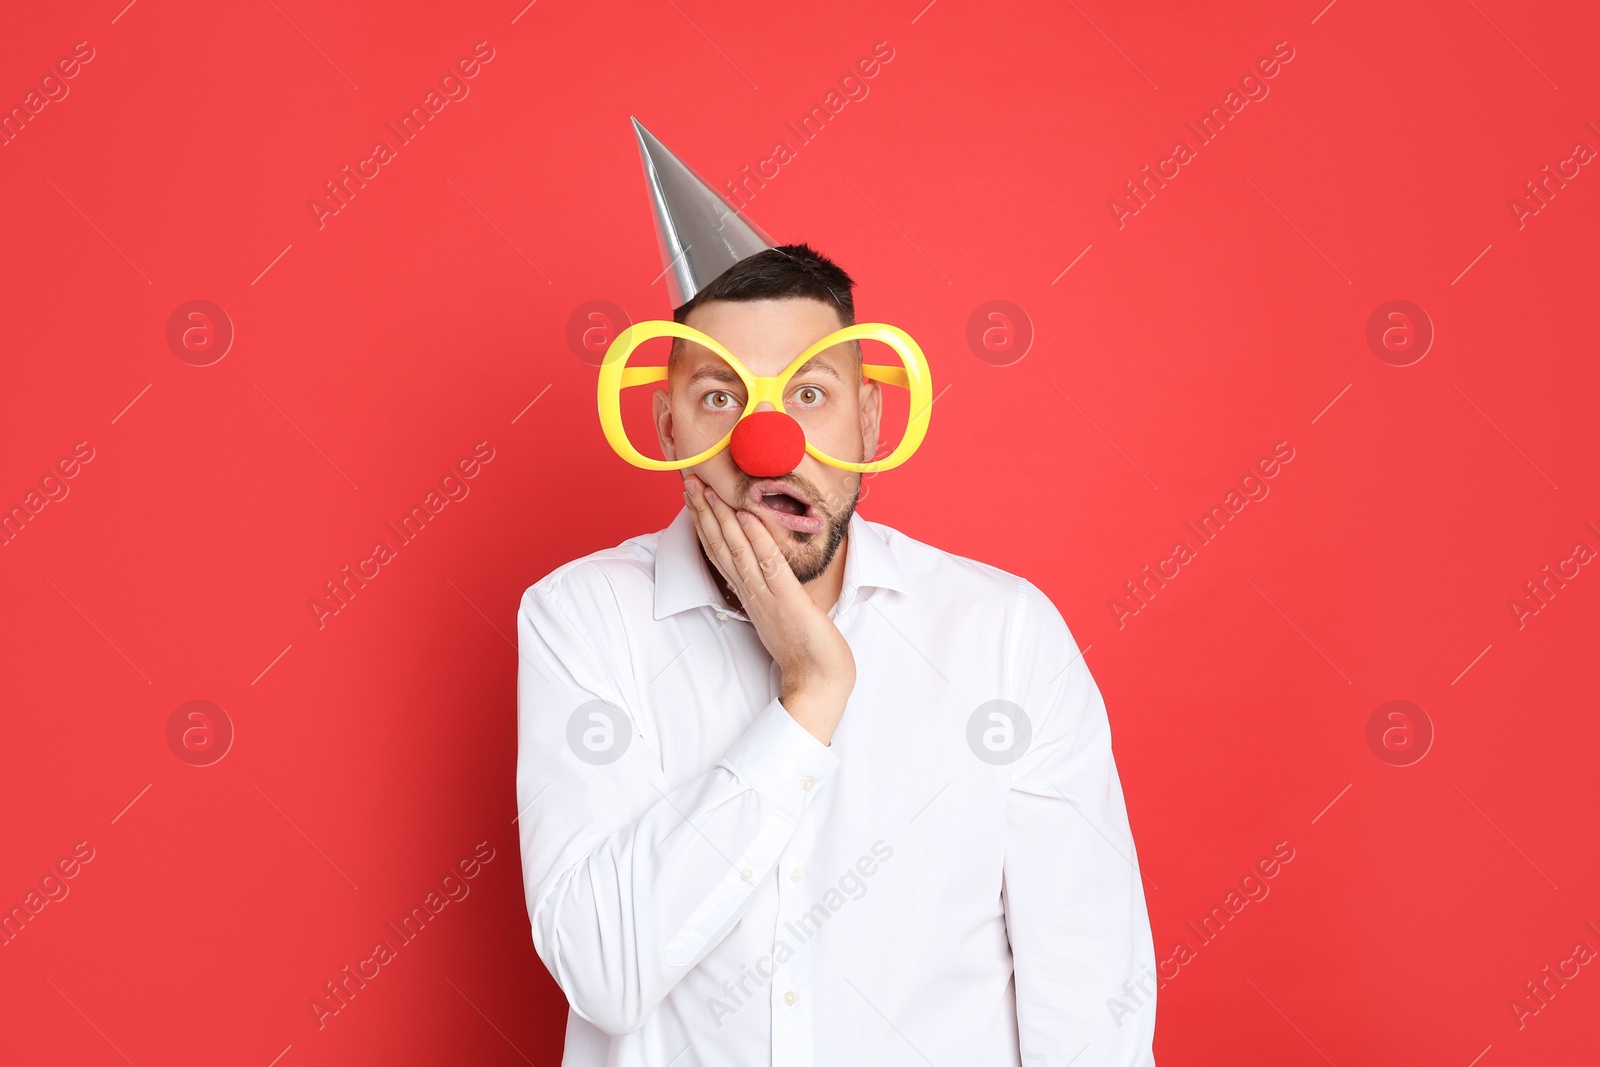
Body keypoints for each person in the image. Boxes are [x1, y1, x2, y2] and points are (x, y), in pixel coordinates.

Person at [515, 120, 1157, 1066]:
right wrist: (808, 696)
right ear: (664, 424)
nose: (767, 443)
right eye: (722, 398)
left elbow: (1089, 991)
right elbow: (606, 969)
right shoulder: (584, 619)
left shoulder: (1003, 636)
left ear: (871, 414)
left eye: (808, 393)